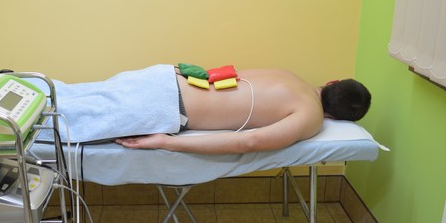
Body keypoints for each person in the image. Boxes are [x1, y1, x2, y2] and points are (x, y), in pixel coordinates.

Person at [116, 67, 371, 155]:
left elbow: (222, 76)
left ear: (332, 82)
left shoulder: (288, 75)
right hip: (168, 108)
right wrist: (166, 143)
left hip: (168, 77)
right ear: (335, 117)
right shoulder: (311, 116)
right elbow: (249, 142)